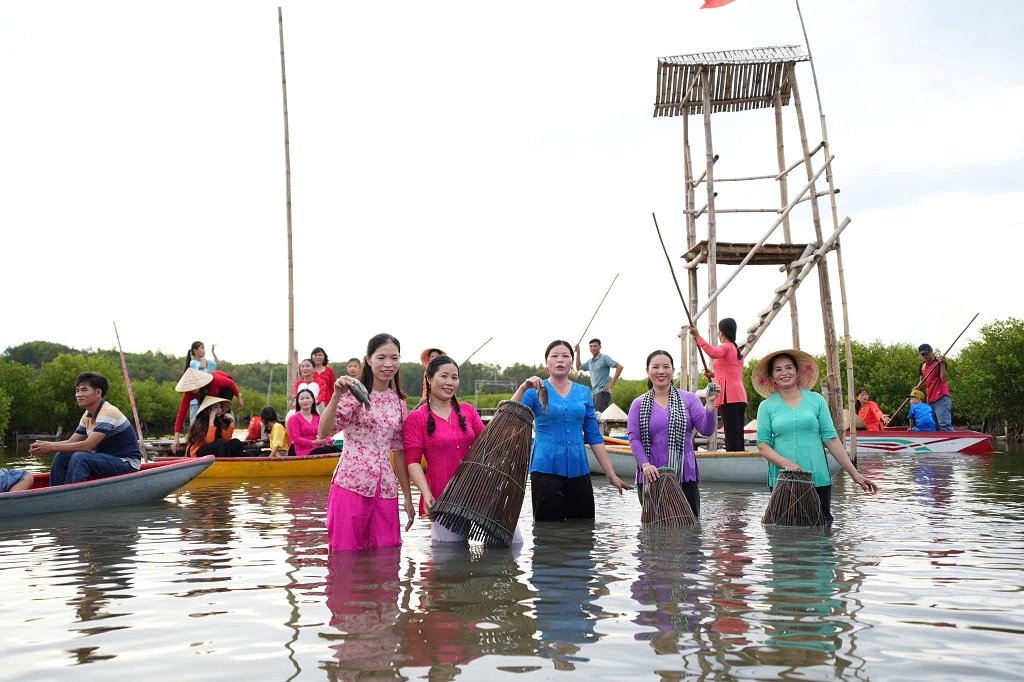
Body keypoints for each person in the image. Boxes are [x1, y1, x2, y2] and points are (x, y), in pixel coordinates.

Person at [403, 355, 522, 543]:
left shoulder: (467, 411)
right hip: (445, 501)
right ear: (429, 378)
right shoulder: (416, 418)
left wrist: (520, 391)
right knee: (450, 565)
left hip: (482, 491)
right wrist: (426, 493)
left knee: (514, 545)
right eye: (444, 376)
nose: (450, 382)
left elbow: (490, 442)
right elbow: (412, 462)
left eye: (454, 377)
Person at [510, 340, 631, 522]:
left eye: (566, 356)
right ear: (547, 363)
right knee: (547, 532)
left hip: (580, 470)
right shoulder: (534, 391)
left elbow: (594, 436)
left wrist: (611, 474)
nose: (560, 360)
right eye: (555, 356)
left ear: (572, 363)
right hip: (545, 470)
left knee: (584, 529)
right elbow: (509, 417)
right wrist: (522, 387)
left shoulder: (583, 392)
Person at [753, 350, 878, 523]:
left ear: (797, 372)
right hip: (781, 479)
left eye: (789, 368)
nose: (784, 373)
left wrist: (854, 474)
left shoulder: (816, 400)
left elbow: (831, 439)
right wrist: (786, 463)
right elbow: (763, 445)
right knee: (782, 532)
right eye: (778, 369)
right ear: (772, 377)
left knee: (821, 528)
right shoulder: (766, 406)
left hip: (817, 476)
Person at [318, 333, 415, 551]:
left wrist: (408, 498)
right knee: (346, 553)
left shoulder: (399, 403)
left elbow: (399, 451)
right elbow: (324, 431)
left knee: (387, 554)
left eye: (394, 358)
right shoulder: (354, 395)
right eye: (381, 358)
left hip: (386, 489)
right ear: (368, 360)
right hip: (351, 484)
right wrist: (335, 396)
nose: (388, 364)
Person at [627, 350, 719, 516]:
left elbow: (706, 430)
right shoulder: (638, 404)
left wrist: (711, 406)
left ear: (673, 370)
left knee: (689, 531)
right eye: (655, 367)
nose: (661, 371)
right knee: (654, 533)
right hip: (651, 475)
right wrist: (645, 465)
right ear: (647, 371)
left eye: (666, 367)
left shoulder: (689, 399)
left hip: (684, 474)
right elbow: (634, 438)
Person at [29, 372, 142, 484]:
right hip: (106, 459)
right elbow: (71, 441)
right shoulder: (87, 415)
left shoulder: (108, 412)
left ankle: (71, 495)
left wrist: (51, 447)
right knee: (62, 456)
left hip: (126, 463)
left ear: (98, 392)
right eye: (77, 391)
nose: (78, 395)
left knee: (80, 457)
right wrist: (45, 446)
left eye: (84, 390)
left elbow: (87, 446)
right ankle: (53, 493)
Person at [690, 319, 749, 452]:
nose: (717, 333)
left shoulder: (726, 346)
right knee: (737, 433)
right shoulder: (736, 349)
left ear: (722, 332)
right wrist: (713, 375)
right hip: (739, 396)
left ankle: (733, 461)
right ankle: (739, 459)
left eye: (718, 331)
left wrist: (698, 336)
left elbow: (713, 353)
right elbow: (730, 373)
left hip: (730, 396)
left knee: (731, 434)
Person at [172, 368, 243, 454]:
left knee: (235, 442)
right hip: (199, 451)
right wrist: (176, 438)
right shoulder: (201, 421)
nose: (192, 390)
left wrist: (238, 397)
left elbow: (230, 383)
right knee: (221, 443)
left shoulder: (215, 381)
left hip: (225, 389)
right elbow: (181, 414)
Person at [573, 338, 623, 413]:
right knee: (594, 416)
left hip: (602, 393)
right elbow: (578, 367)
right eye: (591, 346)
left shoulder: (604, 358)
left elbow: (619, 367)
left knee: (598, 416)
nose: (593, 348)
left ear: (600, 347)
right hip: (594, 393)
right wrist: (578, 352)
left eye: (595, 346)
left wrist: (611, 384)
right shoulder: (590, 361)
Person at [287, 388, 340, 457]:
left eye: (307, 398)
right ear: (298, 402)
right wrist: (313, 442)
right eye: (302, 399)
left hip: (319, 447)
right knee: (326, 451)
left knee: (338, 451)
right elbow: (296, 438)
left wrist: (328, 441)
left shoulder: (317, 417)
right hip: (304, 451)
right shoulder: (294, 418)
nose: (305, 401)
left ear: (313, 400)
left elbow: (324, 433)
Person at [917, 343, 953, 432]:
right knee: (933, 426)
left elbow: (943, 378)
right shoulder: (922, 366)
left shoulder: (939, 362)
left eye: (927, 354)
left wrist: (943, 363)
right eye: (923, 354)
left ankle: (950, 444)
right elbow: (923, 382)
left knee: (944, 425)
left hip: (941, 398)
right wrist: (916, 389)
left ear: (932, 353)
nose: (925, 356)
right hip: (930, 400)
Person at [185, 340, 219, 425]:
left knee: (204, 421)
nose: (204, 350)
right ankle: (192, 436)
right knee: (194, 420)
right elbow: (203, 366)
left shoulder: (204, 360)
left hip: (204, 396)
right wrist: (203, 359)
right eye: (202, 348)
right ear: (195, 351)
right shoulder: (193, 363)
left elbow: (217, 363)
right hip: (195, 398)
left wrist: (213, 352)